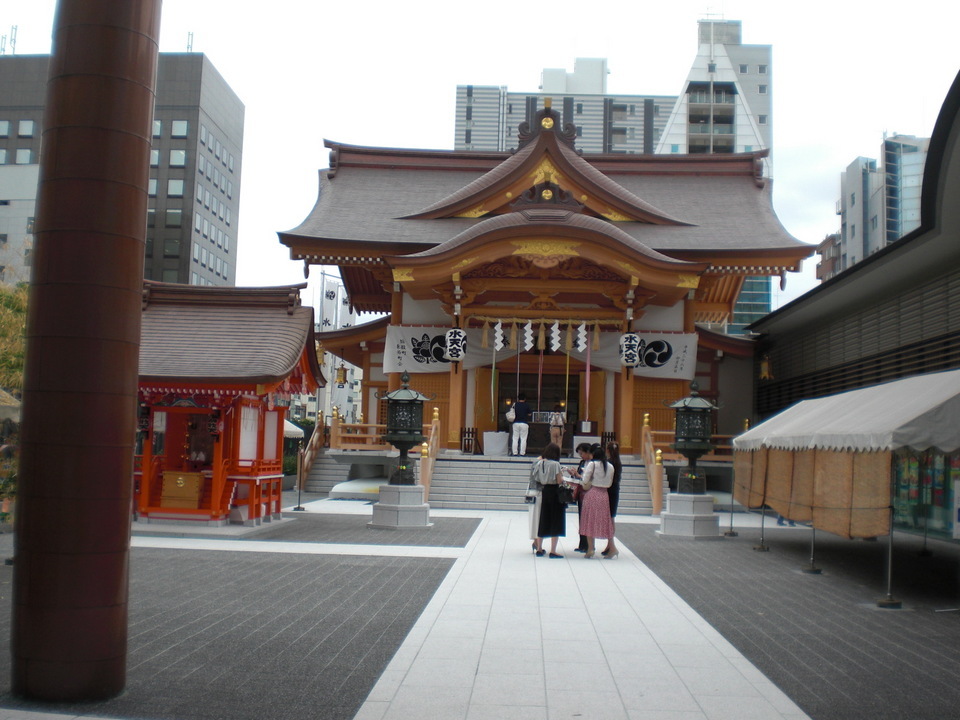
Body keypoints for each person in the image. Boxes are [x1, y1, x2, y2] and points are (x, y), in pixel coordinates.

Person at [579, 444, 618, 559]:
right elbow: (610, 482)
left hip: (593, 493)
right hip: (604, 495)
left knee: (589, 520)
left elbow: (585, 480)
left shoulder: (592, 464)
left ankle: (590, 548)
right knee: (605, 521)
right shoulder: (610, 466)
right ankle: (612, 547)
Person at [529, 443, 567, 557]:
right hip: (555, 492)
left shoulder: (540, 463)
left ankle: (539, 548)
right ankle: (553, 550)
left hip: (544, 491)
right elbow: (559, 480)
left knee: (543, 519)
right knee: (556, 520)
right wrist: (563, 475)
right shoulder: (556, 464)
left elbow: (536, 477)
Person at [565, 443, 593, 552]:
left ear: (588, 452)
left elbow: (589, 478)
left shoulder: (593, 464)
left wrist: (578, 475)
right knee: (581, 518)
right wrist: (573, 474)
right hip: (581, 492)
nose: (581, 456)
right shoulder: (582, 462)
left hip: (589, 492)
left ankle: (589, 545)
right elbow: (578, 477)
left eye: (582, 453)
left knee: (588, 519)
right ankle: (582, 543)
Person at [602, 441, 622, 557]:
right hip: (615, 490)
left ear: (608, 450)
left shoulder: (608, 463)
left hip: (608, 491)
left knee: (608, 519)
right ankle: (609, 545)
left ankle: (612, 545)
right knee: (611, 518)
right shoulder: (618, 462)